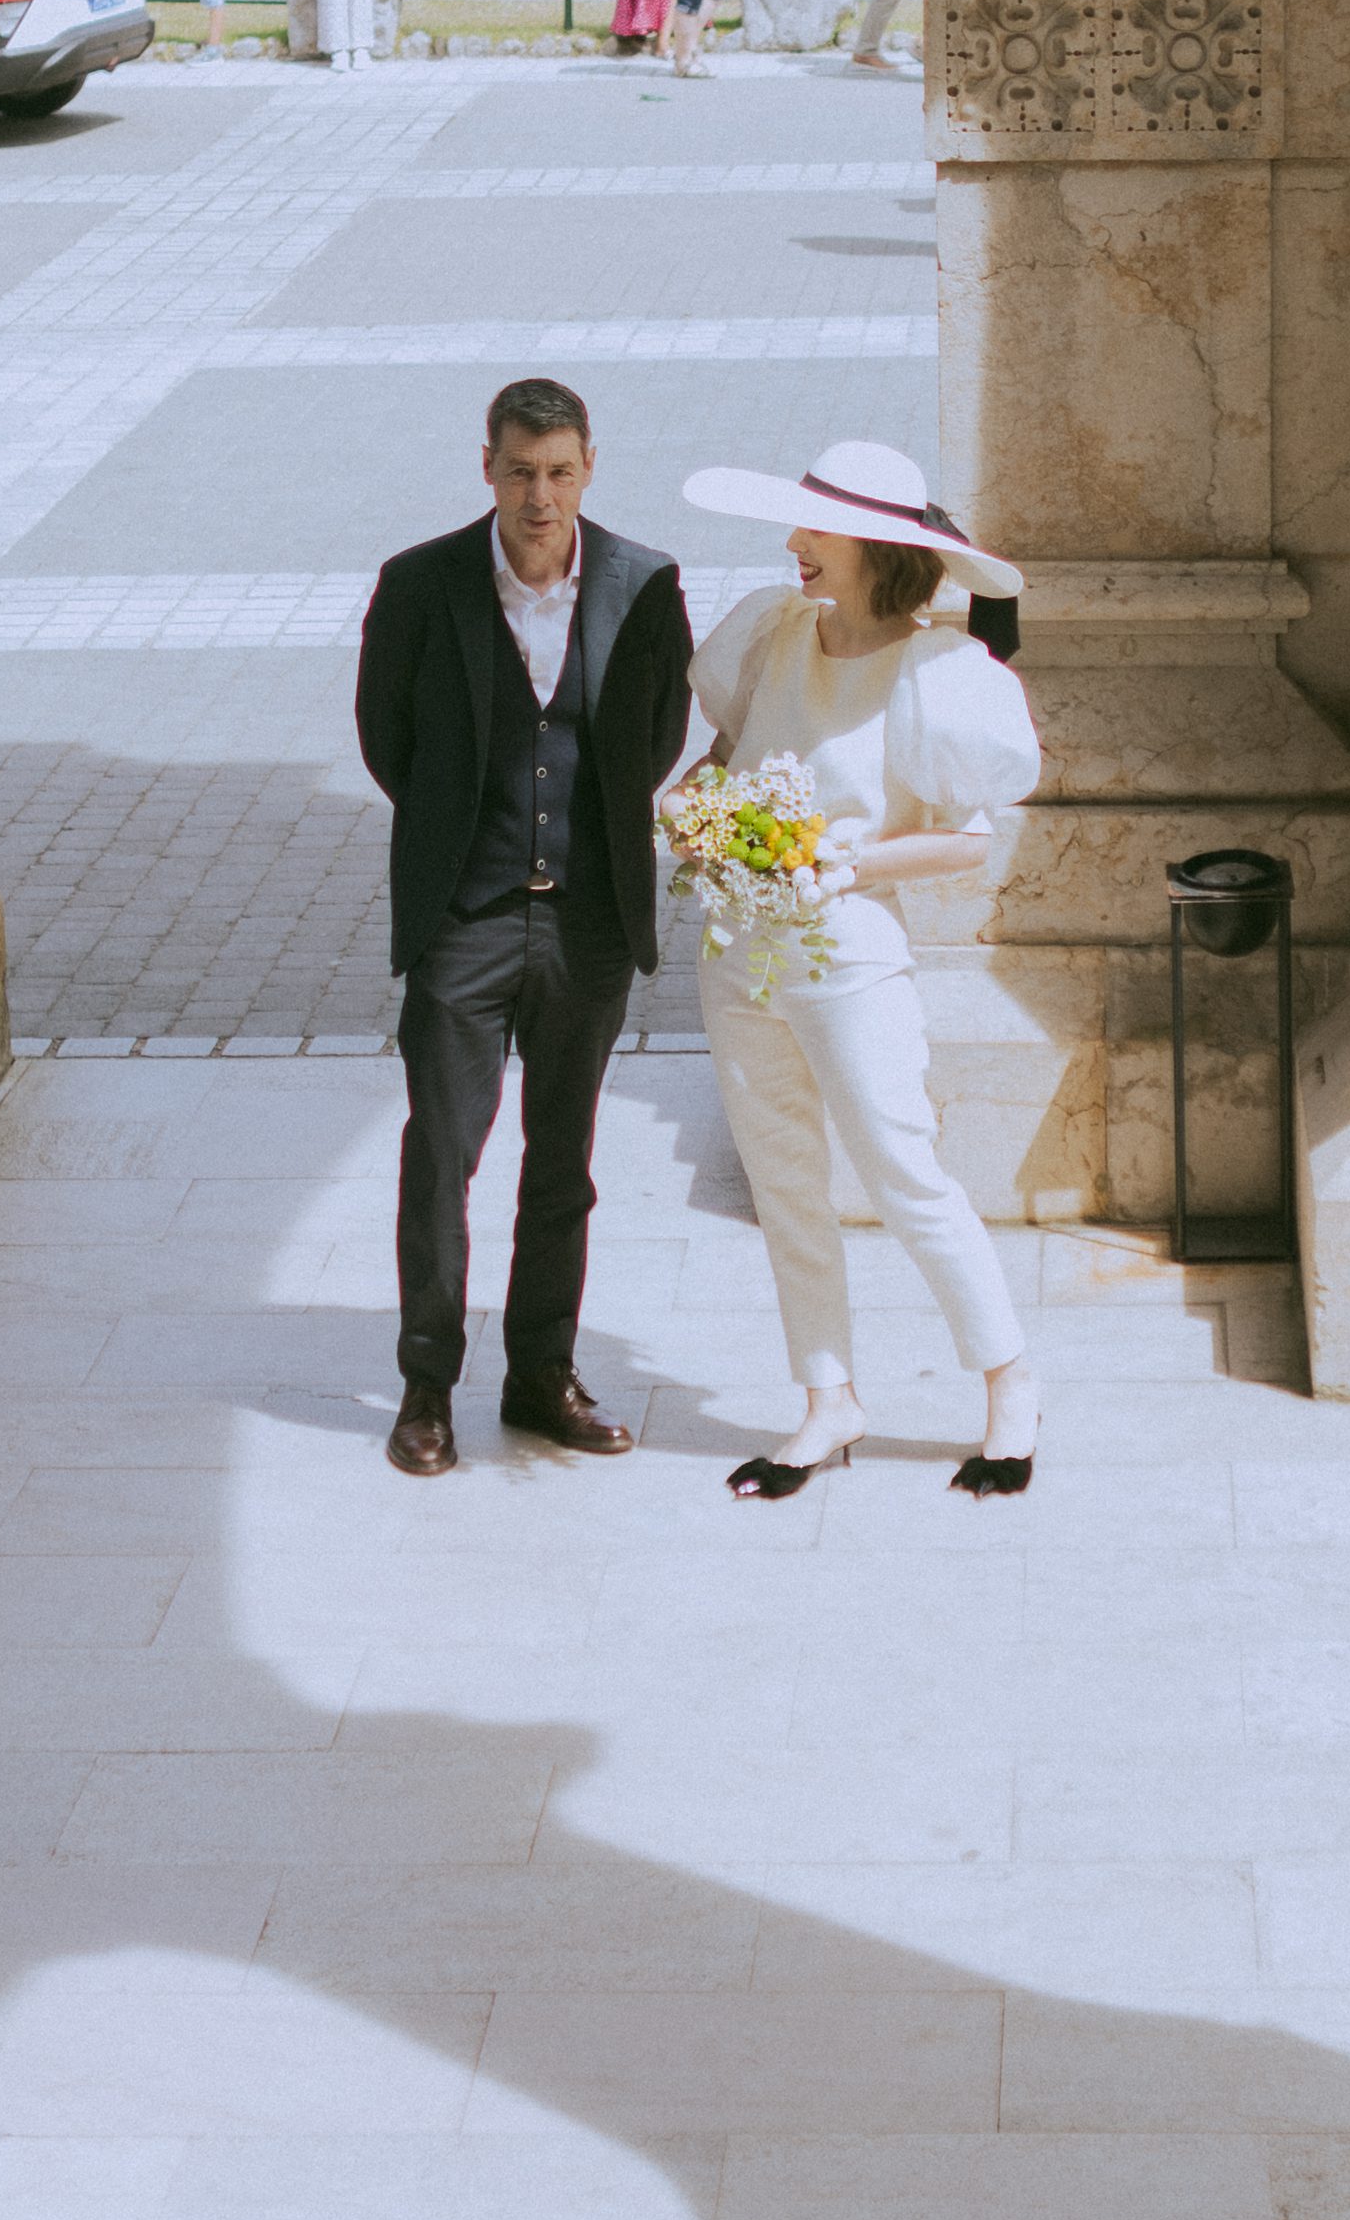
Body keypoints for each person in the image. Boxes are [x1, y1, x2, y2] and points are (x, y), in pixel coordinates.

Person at [675, 436, 1044, 1503]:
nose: (793, 545)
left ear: (872, 547)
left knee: (901, 1175)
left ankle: (1009, 1383)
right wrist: (695, 811)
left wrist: (839, 858)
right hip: (738, 952)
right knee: (783, 1180)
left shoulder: (936, 672)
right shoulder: (770, 634)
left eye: (813, 532)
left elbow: (967, 840)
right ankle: (826, 1398)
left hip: (850, 957)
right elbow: (724, 755)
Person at [355, 377, 696, 1481]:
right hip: (467, 918)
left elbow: (649, 744)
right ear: (487, 468)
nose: (539, 497)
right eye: (518, 472)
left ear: (588, 465)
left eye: (558, 472)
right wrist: (467, 841)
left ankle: (540, 1374)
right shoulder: (420, 584)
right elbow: (388, 740)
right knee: (440, 1159)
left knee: (564, 1167)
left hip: (585, 927)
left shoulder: (644, 586)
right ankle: (425, 1389)